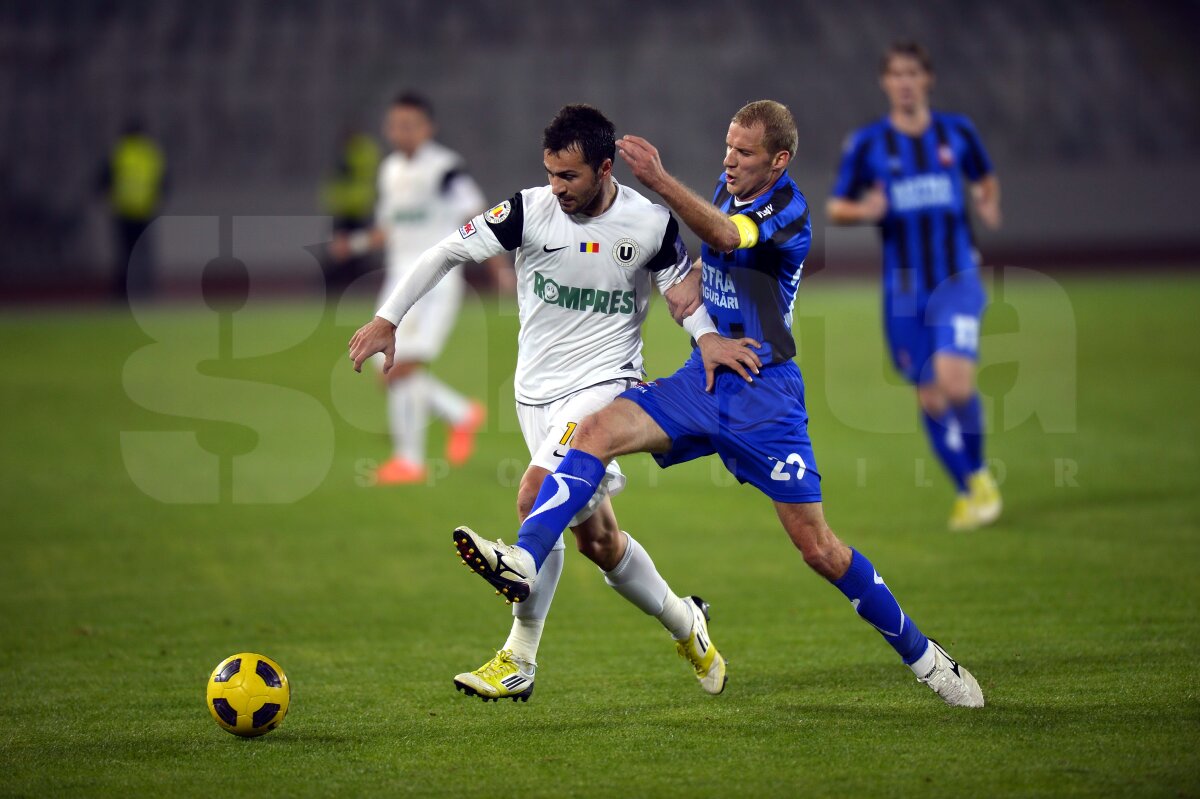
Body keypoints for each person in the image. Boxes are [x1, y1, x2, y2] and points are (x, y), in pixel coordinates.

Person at [449, 100, 986, 708]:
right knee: (593, 433)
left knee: (819, 550)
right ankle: (523, 562)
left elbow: (729, 237)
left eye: (745, 152)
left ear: (778, 160)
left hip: (765, 396)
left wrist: (655, 180)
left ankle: (926, 658)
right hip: (705, 378)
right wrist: (693, 297)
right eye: (728, 147)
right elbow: (718, 253)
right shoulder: (727, 189)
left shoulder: (788, 211)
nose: (729, 161)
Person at [350, 104, 759, 701]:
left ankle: (518, 655)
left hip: (606, 384)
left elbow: (679, 295)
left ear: (604, 166)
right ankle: (685, 622)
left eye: (569, 176)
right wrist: (388, 318)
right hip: (534, 392)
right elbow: (444, 252)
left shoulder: (648, 224)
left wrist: (708, 339)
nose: (557, 188)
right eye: (550, 174)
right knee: (598, 542)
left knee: (534, 495)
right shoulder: (526, 211)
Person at [827, 42, 1003, 531]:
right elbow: (837, 206)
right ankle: (973, 484)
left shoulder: (957, 132)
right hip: (904, 289)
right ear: (886, 82)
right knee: (929, 396)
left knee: (955, 381)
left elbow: (985, 178)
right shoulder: (868, 144)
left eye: (913, 73)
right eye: (896, 74)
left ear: (928, 79)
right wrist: (866, 211)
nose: (904, 82)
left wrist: (987, 202)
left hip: (957, 279)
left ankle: (979, 485)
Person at [332, 92, 487, 485]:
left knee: (396, 367)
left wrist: (499, 266)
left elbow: (476, 212)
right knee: (382, 365)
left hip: (435, 283)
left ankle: (411, 461)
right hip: (397, 281)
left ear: (427, 127)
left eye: (410, 125)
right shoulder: (389, 171)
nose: (401, 132)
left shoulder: (445, 169)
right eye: (395, 125)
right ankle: (459, 415)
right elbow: (388, 229)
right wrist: (355, 244)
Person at [99, 119, 166, 301]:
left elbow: (103, 180)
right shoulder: (151, 153)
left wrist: (108, 198)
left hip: (123, 212)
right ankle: (145, 290)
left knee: (124, 254)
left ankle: (123, 293)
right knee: (143, 254)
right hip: (145, 211)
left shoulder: (119, 152)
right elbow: (164, 182)